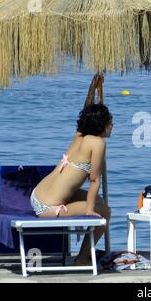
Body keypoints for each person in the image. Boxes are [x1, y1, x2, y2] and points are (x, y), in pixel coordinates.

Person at [30, 103, 113, 265]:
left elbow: (87, 108)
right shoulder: (97, 143)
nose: (112, 126)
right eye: (110, 122)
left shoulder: (79, 136)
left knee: (100, 202)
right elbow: (94, 179)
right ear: (101, 124)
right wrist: (89, 210)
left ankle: (86, 252)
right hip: (47, 207)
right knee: (104, 212)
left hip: (37, 194)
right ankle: (82, 258)